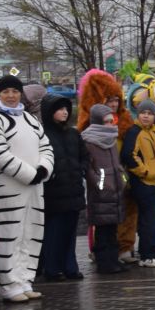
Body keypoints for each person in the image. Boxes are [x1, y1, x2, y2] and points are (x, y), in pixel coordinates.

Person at [0, 74, 52, 301]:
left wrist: (43, 170)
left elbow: (46, 147)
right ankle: (9, 284)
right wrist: (29, 174)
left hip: (35, 188)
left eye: (15, 91)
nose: (11, 96)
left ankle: (25, 280)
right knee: (9, 235)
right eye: (6, 92)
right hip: (10, 188)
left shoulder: (31, 120)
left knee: (31, 234)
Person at [37, 96, 86, 280]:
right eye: (59, 109)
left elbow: (84, 156)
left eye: (66, 108)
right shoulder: (43, 135)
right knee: (54, 233)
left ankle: (70, 267)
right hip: (54, 193)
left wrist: (81, 169)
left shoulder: (73, 134)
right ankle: (52, 268)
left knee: (70, 232)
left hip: (73, 190)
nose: (64, 112)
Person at [122, 100, 155, 267]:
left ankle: (152, 252)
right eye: (143, 113)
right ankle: (147, 255)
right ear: (138, 114)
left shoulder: (152, 133)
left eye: (150, 113)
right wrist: (144, 172)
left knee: (152, 220)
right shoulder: (135, 132)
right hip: (144, 183)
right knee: (148, 221)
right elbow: (128, 155)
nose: (146, 116)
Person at [81, 104, 125, 274]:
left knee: (112, 229)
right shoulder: (89, 141)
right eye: (106, 121)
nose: (110, 125)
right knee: (103, 231)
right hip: (101, 192)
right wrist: (100, 185)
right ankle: (104, 262)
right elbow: (89, 170)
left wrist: (122, 180)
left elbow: (117, 165)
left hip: (115, 190)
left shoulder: (112, 140)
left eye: (111, 120)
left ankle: (113, 259)